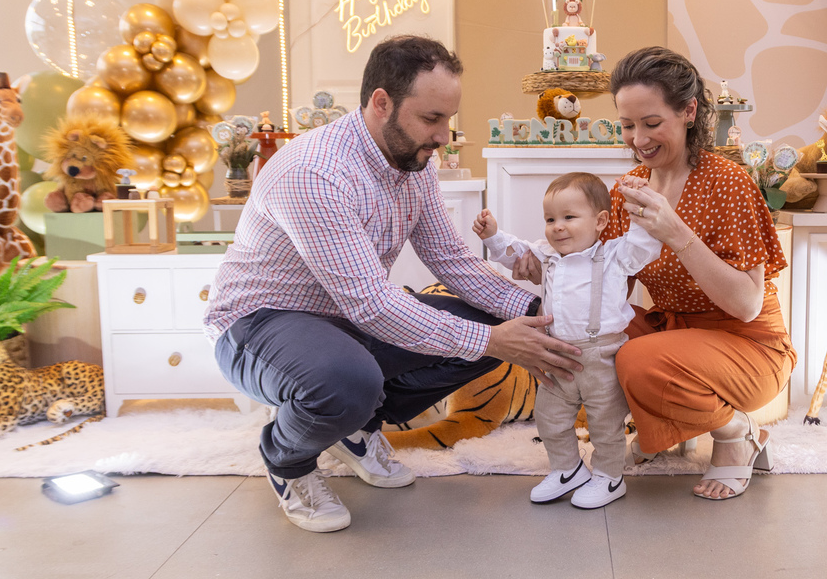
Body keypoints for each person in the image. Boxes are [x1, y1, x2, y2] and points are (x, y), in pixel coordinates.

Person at [204, 35, 583, 533]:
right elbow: (372, 305)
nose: (444, 135)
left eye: (448, 119)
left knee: (496, 321)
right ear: (381, 103)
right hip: (261, 324)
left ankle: (358, 428)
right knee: (349, 381)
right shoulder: (314, 172)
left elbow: (451, 260)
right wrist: (494, 340)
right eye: (432, 118)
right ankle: (287, 458)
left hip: (347, 321)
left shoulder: (414, 160)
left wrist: (543, 311)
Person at [513, 46, 796, 501]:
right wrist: (549, 271)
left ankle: (738, 434)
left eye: (651, 123)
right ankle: (663, 428)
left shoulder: (729, 183)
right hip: (674, 335)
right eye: (627, 125)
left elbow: (746, 305)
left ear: (688, 112)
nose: (638, 139)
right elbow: (604, 289)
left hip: (747, 345)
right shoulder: (628, 191)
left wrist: (676, 232)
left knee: (637, 360)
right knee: (581, 340)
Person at [472, 172, 662, 509]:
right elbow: (516, 253)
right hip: (558, 356)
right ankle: (567, 469)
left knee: (605, 423)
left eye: (569, 218)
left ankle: (609, 477)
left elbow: (644, 246)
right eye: (550, 219)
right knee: (549, 417)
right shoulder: (548, 256)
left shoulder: (614, 255)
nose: (557, 227)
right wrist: (493, 236)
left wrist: (636, 207)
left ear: (600, 221)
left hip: (602, 355)